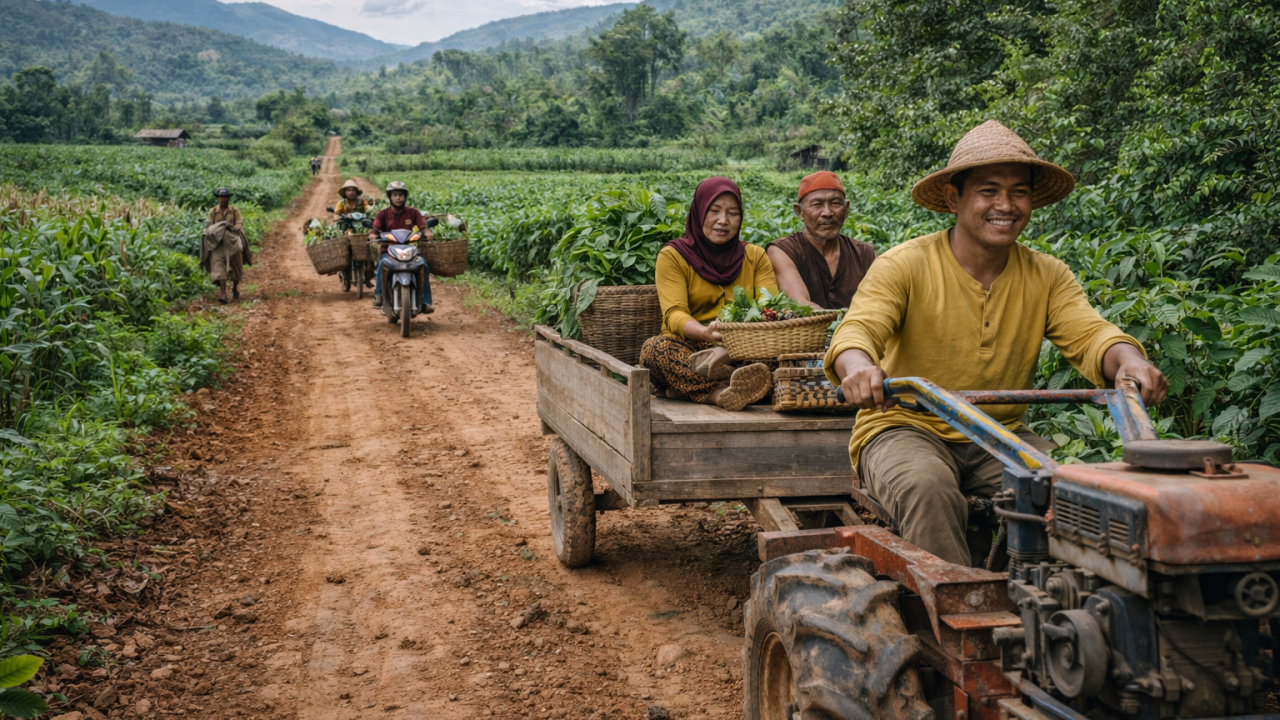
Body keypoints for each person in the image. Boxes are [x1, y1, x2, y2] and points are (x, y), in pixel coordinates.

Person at [824, 120, 1169, 567]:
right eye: (988, 191)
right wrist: (859, 368)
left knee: (1073, 496)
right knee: (927, 487)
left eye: (1019, 192)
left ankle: (1053, 606)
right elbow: (859, 331)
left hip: (1001, 437)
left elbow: (1091, 333)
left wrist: (1130, 362)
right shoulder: (904, 265)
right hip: (905, 429)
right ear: (954, 198)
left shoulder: (1047, 274)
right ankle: (954, 619)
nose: (1005, 205)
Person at [638, 177, 777, 412]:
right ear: (699, 211)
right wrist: (705, 333)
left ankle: (681, 390)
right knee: (654, 350)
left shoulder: (755, 256)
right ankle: (721, 394)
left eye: (733, 213)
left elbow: (769, 310)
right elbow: (674, 314)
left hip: (748, 346)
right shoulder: (673, 256)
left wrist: (733, 346)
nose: (723, 221)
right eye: (714, 211)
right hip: (693, 348)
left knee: (780, 358)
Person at [766, 171, 877, 311]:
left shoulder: (865, 253)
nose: (827, 213)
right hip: (807, 333)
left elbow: (880, 302)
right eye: (817, 205)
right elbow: (800, 303)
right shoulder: (783, 251)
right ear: (799, 212)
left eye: (835, 204)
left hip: (860, 332)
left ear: (846, 209)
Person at [369, 181, 434, 313]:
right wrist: (372, 236)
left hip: (411, 250)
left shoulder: (413, 212)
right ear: (390, 197)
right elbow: (373, 231)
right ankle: (379, 295)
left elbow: (423, 228)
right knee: (382, 264)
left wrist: (427, 233)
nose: (398, 198)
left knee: (423, 266)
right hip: (389, 250)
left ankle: (425, 301)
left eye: (401, 195)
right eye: (395, 195)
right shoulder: (383, 214)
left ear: (405, 197)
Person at [201, 188, 252, 304]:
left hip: (232, 240)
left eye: (225, 197)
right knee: (218, 265)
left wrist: (235, 228)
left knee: (237, 258)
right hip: (218, 243)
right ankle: (223, 293)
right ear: (218, 198)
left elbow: (239, 222)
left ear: (228, 198)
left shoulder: (234, 211)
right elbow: (208, 224)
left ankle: (235, 287)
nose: (223, 199)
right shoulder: (213, 211)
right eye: (221, 197)